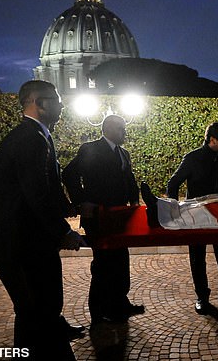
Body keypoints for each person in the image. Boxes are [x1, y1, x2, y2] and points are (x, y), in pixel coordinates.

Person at [0, 80, 86, 360]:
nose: (62, 106)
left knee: (38, 308)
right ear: (40, 103)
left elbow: (45, 184)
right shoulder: (31, 139)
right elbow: (35, 192)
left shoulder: (34, 135)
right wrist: (64, 231)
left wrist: (68, 207)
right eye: (57, 101)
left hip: (21, 238)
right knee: (35, 309)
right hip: (18, 240)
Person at [62, 115, 144, 326]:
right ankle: (99, 311)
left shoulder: (123, 153)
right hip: (98, 216)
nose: (125, 133)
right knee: (103, 264)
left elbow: (130, 180)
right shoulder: (90, 149)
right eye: (121, 129)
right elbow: (69, 174)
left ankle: (120, 303)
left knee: (121, 260)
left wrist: (135, 201)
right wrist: (81, 202)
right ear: (108, 128)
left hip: (119, 217)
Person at [166, 122, 218, 315]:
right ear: (212, 140)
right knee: (197, 257)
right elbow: (173, 183)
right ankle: (202, 297)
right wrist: (175, 209)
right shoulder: (192, 158)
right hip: (196, 216)